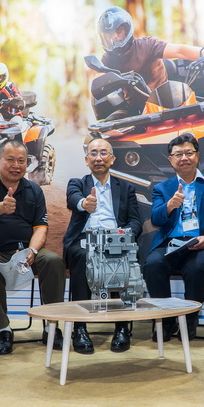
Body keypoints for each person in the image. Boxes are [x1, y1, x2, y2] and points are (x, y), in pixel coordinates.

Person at [0, 139, 65, 355]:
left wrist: (32, 251)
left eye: (21, 161)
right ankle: (4, 329)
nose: (16, 165)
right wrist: (2, 207)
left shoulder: (34, 190)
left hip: (25, 252)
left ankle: (51, 327)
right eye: (10, 160)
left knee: (53, 261)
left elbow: (41, 227)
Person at [143, 132, 204, 340]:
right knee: (152, 264)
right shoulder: (162, 188)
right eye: (178, 154)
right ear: (171, 160)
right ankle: (165, 320)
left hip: (202, 243)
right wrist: (169, 205)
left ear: (197, 156)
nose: (184, 158)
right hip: (171, 243)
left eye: (188, 153)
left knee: (196, 267)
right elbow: (156, 219)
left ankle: (190, 319)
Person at [63, 138, 143, 353]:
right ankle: (80, 328)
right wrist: (84, 204)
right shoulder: (77, 183)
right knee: (82, 256)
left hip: (115, 239)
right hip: (84, 240)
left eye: (103, 153)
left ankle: (122, 328)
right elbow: (73, 199)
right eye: (93, 153)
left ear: (112, 158)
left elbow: (135, 221)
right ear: (86, 159)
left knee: (119, 256)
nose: (98, 158)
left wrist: (124, 235)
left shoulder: (125, 187)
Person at [96, 6, 204, 118]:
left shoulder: (146, 45)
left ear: (126, 29)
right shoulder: (108, 59)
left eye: (118, 30)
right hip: (136, 112)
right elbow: (98, 81)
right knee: (109, 124)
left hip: (166, 102)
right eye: (109, 33)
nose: (114, 36)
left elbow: (179, 50)